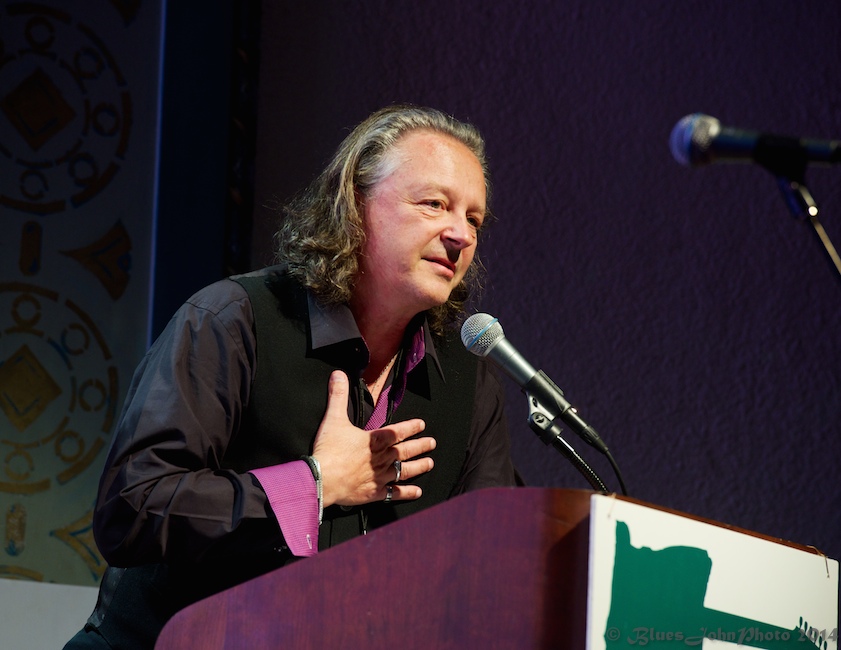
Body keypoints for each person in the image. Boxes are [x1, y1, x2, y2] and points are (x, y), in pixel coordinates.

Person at [64, 104, 519, 649]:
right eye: (434, 205)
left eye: (474, 218)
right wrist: (316, 484)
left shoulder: (471, 385)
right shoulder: (233, 320)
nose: (461, 234)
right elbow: (133, 508)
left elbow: (491, 566)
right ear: (355, 206)